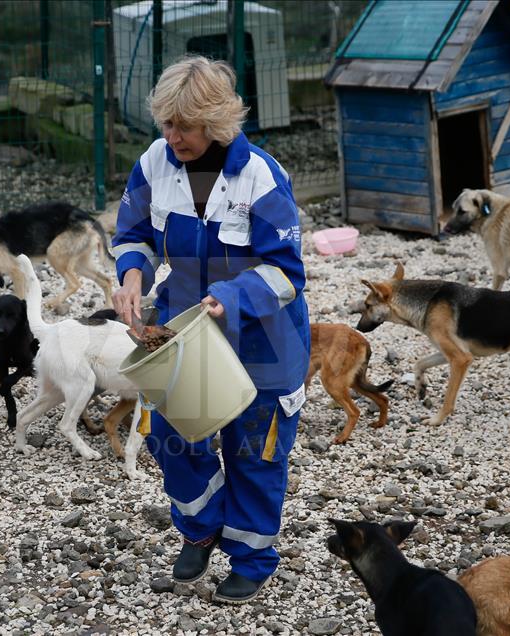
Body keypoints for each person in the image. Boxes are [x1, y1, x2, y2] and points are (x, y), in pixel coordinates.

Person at [112, 56, 310, 603]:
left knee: (254, 450)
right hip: (183, 324)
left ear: (217, 123)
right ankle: (203, 526)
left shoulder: (261, 176)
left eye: (185, 126)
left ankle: (251, 557)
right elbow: (132, 235)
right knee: (172, 438)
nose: (173, 137)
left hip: (264, 336)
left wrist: (228, 296)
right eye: (166, 124)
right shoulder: (154, 163)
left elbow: (286, 272)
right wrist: (131, 277)